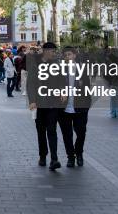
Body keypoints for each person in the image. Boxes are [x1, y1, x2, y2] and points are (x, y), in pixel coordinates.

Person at [27, 42, 66, 171]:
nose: (54, 54)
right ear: (45, 51)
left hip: (53, 103)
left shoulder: (56, 65)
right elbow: (30, 84)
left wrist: (62, 91)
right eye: (52, 51)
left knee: (52, 130)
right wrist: (32, 100)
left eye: (55, 52)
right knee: (41, 131)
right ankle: (43, 156)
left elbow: (62, 80)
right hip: (38, 103)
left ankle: (54, 159)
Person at [58, 47, 91, 168]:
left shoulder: (82, 69)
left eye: (69, 54)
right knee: (67, 135)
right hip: (64, 108)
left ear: (74, 55)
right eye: (65, 55)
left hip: (80, 107)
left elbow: (88, 88)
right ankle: (70, 157)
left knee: (81, 132)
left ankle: (79, 154)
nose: (68, 57)